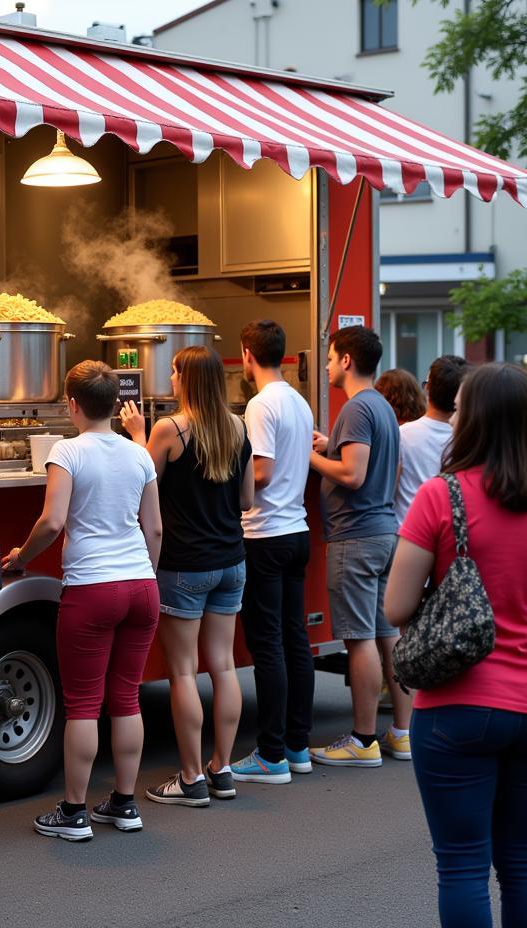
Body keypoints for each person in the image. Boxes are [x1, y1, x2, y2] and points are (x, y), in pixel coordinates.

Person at [385, 362, 527, 928]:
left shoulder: (440, 497)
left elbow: (396, 607)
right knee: (520, 862)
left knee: (463, 866)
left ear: (472, 421)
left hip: (456, 706)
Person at [3, 361, 162, 841]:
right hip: (141, 586)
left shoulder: (66, 451)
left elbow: (52, 523)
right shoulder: (140, 454)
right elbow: (153, 527)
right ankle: (125, 804)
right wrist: (145, 571)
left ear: (71, 404)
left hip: (92, 588)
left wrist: (18, 557)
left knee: (83, 704)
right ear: (115, 405)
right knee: (127, 697)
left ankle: (74, 812)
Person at [121, 345, 254, 807]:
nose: (171, 378)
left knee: (182, 673)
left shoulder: (168, 429)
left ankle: (192, 778)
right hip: (231, 562)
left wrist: (137, 435)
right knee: (222, 665)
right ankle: (224, 767)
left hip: (183, 566)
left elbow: (142, 481)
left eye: (175, 372)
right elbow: (247, 499)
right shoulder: (238, 427)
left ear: (188, 379)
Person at [309, 325, 410, 766]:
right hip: (385, 531)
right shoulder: (382, 407)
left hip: (355, 536)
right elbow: (390, 463)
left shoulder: (355, 408)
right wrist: (332, 446)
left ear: (347, 360)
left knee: (359, 639)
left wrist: (306, 454)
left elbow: (352, 475)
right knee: (389, 635)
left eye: (330, 358)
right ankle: (402, 734)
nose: (328, 365)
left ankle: (363, 740)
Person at [229, 320, 315, 785]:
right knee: (294, 639)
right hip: (296, 531)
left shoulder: (261, 405)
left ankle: (271, 754)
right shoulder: (299, 402)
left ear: (246, 354)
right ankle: (297, 746)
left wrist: (226, 469)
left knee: (268, 646)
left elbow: (260, 472)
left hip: (265, 535)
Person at [393, 355, 467, 523]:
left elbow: (389, 490)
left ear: (428, 388)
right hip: (452, 530)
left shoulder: (402, 434)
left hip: (407, 530)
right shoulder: (469, 438)